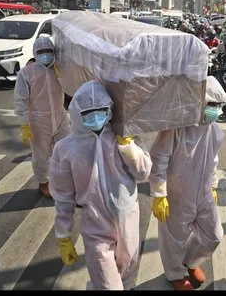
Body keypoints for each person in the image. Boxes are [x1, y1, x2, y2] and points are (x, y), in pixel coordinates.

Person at [49, 80, 152, 290]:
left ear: (110, 110)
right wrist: (63, 234)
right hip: (95, 225)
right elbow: (63, 195)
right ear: (78, 112)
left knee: (126, 277)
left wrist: (129, 148)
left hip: (128, 219)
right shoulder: (65, 148)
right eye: (89, 112)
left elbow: (143, 173)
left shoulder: (123, 137)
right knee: (108, 285)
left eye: (101, 111)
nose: (96, 117)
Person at [149, 76, 226, 290]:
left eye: (219, 106)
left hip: (203, 194)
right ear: (199, 102)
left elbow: (213, 160)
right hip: (176, 194)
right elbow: (159, 158)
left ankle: (191, 261)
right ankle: (175, 274)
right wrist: (159, 194)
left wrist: (213, 184)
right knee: (174, 239)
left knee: (213, 235)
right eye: (212, 105)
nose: (216, 110)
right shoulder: (177, 127)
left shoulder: (214, 130)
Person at [14, 37, 71, 198]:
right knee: (41, 155)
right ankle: (44, 183)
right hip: (38, 120)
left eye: (49, 51)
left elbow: (71, 88)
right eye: (41, 52)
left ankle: (64, 180)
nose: (46, 55)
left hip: (60, 115)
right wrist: (24, 124)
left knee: (66, 150)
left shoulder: (59, 70)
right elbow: (20, 100)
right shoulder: (26, 73)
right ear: (35, 53)